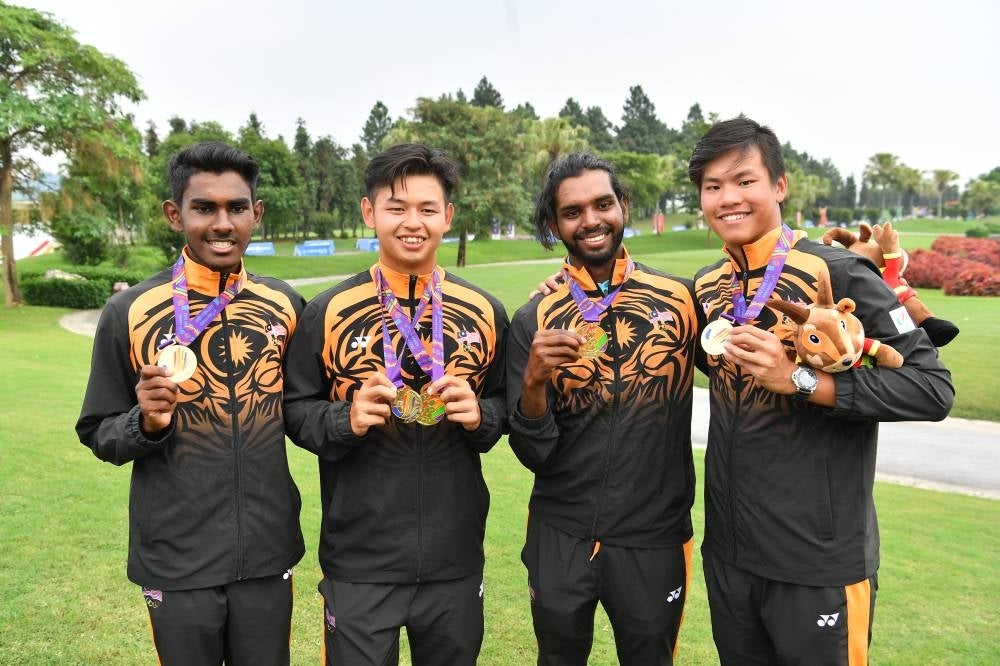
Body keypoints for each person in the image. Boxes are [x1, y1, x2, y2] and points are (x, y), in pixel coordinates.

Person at [689, 117, 954, 665]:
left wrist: (802, 380)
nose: (727, 199)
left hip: (818, 563)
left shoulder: (843, 271)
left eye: (744, 181)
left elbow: (931, 387)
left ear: (779, 186)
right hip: (732, 557)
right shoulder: (707, 286)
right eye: (712, 187)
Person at [76, 141, 305, 665]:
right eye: (205, 207)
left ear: (257, 214)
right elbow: (98, 430)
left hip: (267, 553)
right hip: (176, 559)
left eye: (237, 207)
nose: (222, 223)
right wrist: (146, 423)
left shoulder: (286, 305)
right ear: (175, 214)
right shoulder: (128, 310)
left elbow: (308, 409)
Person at [282, 143, 508, 666]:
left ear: (447, 217)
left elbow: (506, 406)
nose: (413, 223)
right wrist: (346, 418)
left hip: (454, 559)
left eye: (428, 209)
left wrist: (481, 416)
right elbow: (294, 410)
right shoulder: (326, 310)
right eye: (396, 207)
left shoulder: (485, 310)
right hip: (360, 560)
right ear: (368, 212)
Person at [506, 152, 702, 665]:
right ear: (555, 224)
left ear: (624, 206)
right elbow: (533, 452)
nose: (590, 220)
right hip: (560, 533)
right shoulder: (534, 318)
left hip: (655, 537)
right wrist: (533, 381)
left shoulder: (681, 299)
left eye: (602, 204)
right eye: (572, 212)